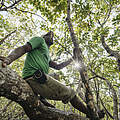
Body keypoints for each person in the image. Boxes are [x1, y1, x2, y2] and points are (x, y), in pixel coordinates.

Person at [1, 31, 103, 118]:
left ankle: (41, 97)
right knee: (70, 93)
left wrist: (73, 58)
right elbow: (24, 48)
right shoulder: (39, 40)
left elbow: (58, 66)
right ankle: (91, 114)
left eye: (52, 35)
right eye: (48, 34)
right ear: (43, 37)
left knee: (56, 75)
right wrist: (9, 59)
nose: (51, 35)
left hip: (40, 78)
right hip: (34, 78)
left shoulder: (47, 53)